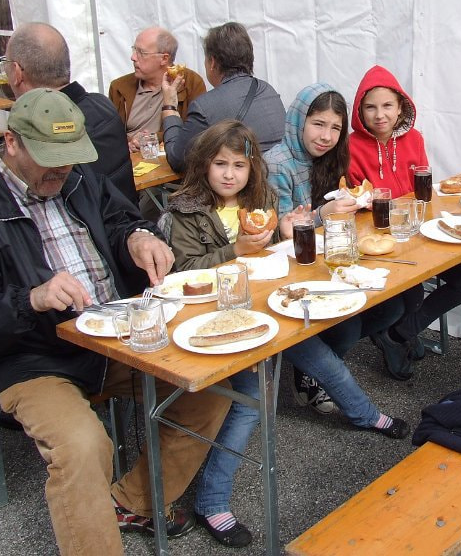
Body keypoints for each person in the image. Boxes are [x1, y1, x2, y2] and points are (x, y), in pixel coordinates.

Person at [0, 89, 230, 555]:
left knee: (210, 389)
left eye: (70, 157)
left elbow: (120, 221)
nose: (62, 170)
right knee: (82, 446)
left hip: (114, 332)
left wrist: (137, 237)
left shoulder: (79, 178)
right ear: (11, 143)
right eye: (50, 158)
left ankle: (130, 503)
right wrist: (29, 300)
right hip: (33, 357)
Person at [163, 119, 409, 548]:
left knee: (323, 360)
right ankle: (212, 501)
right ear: (203, 165)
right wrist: (235, 250)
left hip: (268, 307)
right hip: (218, 322)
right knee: (251, 401)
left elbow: (276, 259)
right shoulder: (185, 211)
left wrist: (285, 234)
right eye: (220, 164)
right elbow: (182, 273)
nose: (229, 174)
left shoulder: (260, 200)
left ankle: (365, 415)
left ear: (251, 168)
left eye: (239, 165)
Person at [265, 82, 408, 392]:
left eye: (335, 128)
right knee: (348, 326)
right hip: (292, 268)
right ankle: (311, 374)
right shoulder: (277, 163)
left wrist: (359, 202)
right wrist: (323, 214)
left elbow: (340, 207)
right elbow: (280, 234)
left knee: (393, 306)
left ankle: (322, 359)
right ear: (299, 120)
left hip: (331, 259)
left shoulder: (331, 157)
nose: (326, 136)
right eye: (318, 124)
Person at [348, 65, 461, 380]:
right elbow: (357, 203)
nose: (379, 115)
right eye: (370, 107)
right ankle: (399, 332)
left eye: (387, 105)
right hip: (381, 242)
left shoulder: (414, 139)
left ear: (400, 107)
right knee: (411, 294)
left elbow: (424, 196)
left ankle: (398, 334)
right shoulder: (351, 147)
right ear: (360, 111)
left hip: (420, 235)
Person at [4, 21, 138, 205]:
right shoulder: (102, 104)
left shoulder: (38, 133)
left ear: (17, 72)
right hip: (125, 215)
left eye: (5, 64)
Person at [161, 21, 285, 173]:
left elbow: (177, 160)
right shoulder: (268, 90)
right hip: (279, 180)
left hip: (244, 184)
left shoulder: (204, 106)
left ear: (212, 62)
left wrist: (169, 106)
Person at [108, 26, 205, 152]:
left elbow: (196, 132)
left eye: (141, 52)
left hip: (169, 160)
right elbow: (110, 134)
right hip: (129, 159)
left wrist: (153, 138)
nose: (133, 57)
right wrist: (128, 144)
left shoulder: (191, 83)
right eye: (134, 49)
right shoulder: (119, 87)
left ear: (164, 58)